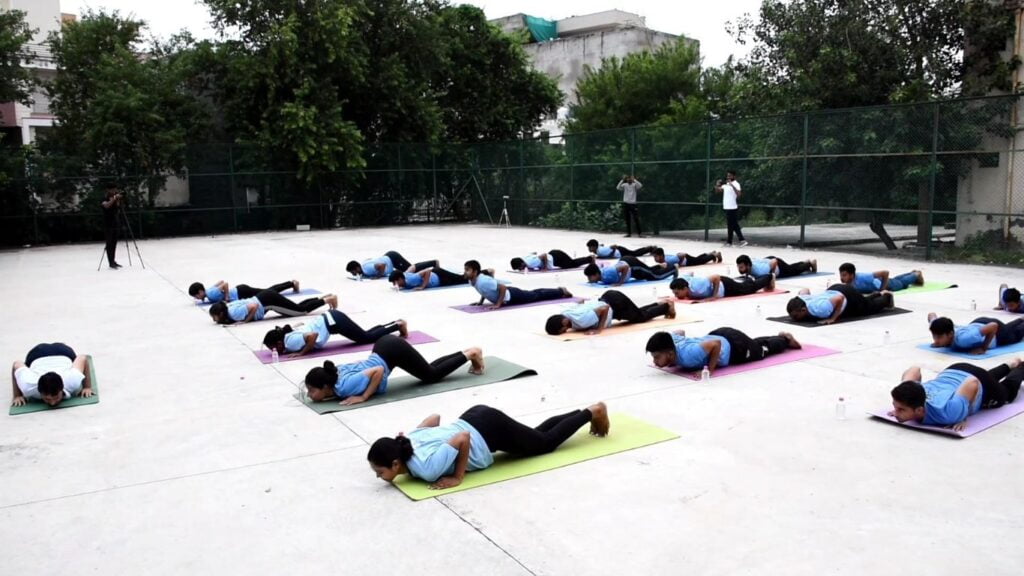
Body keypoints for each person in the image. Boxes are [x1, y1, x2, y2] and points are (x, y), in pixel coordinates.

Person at [367, 402, 610, 489]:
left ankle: (593, 411)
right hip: (476, 416)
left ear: (396, 463)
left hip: (487, 431)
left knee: (544, 444)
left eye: (380, 472)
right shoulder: (407, 440)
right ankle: (583, 412)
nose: (379, 476)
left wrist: (458, 477)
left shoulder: (426, 469)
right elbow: (434, 418)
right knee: (536, 436)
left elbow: (462, 438)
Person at [302, 335, 484, 406]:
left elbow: (378, 370)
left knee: (431, 376)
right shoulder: (332, 376)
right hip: (385, 348)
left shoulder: (345, 386)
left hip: (390, 353)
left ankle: (472, 354)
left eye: (312, 390)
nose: (309, 394)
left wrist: (363, 397)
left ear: (326, 386)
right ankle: (467, 352)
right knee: (429, 370)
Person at [889, 359, 1024, 430]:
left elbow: (973, 382)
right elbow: (915, 369)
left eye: (901, 409)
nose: (895, 413)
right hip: (954, 370)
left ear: (919, 410)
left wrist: (963, 413)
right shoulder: (913, 391)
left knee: (1006, 394)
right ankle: (1009, 364)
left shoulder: (948, 413)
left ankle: (1020, 367)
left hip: (975, 378)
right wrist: (903, 390)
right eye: (896, 407)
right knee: (983, 377)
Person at [646, 328, 801, 374]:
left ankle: (785, 340)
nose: (655, 362)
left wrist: (709, 370)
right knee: (752, 343)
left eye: (657, 357)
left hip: (734, 347)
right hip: (720, 334)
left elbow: (715, 344)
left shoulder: (689, 355)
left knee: (760, 351)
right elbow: (679, 331)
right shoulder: (673, 342)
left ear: (671, 353)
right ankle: (777, 336)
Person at [262, 312, 408, 357]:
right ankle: (394, 323)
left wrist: (301, 353)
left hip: (334, 321)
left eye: (272, 348)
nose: (274, 351)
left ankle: (398, 324)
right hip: (331, 320)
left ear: (279, 343)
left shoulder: (290, 341)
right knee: (365, 335)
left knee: (366, 338)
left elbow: (312, 336)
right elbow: (300, 327)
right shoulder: (287, 337)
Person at [545, 290, 676, 335]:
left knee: (640, 318)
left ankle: (666, 307)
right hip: (609, 298)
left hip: (615, 304)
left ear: (563, 323)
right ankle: (659, 304)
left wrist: (599, 329)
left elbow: (604, 309)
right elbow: (580, 303)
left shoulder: (580, 320)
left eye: (562, 330)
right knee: (636, 313)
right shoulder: (565, 312)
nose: (565, 331)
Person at [10, 343, 93, 407]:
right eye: (47, 399)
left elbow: (83, 358)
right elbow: (16, 364)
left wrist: (87, 387)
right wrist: (18, 395)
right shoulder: (28, 386)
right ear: (39, 391)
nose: (52, 403)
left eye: (56, 397)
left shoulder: (71, 381)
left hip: (63, 352)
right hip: (37, 354)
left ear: (62, 388)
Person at [464, 260, 571, 309]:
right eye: (465, 269)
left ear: (475, 272)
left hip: (512, 295)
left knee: (536, 295)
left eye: (467, 270)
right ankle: (559, 290)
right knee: (534, 293)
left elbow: (502, 287)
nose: (465, 272)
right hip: (510, 296)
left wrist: (498, 304)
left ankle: (560, 291)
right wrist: (481, 302)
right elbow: (485, 291)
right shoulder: (472, 280)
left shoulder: (483, 281)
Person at [785, 284, 893, 325]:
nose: (794, 318)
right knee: (864, 301)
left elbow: (839, 299)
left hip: (847, 295)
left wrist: (833, 318)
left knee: (868, 308)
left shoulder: (820, 309)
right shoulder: (802, 299)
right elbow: (805, 288)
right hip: (834, 289)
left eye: (795, 316)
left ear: (803, 310)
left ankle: (886, 297)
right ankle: (877, 294)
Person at [210, 291, 337, 325]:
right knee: (296, 307)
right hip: (265, 298)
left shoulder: (233, 313)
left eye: (214, 316)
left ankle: (327, 300)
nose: (214, 319)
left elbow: (253, 307)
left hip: (267, 301)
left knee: (300, 312)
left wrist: (246, 321)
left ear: (220, 313)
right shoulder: (227, 306)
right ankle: (324, 297)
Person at [926, 313, 1024, 354]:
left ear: (950, 334)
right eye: (934, 336)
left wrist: (983, 348)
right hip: (979, 324)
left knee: (1015, 335)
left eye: (939, 337)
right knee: (1008, 328)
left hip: (995, 333)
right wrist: (939, 342)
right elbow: (932, 315)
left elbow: (993, 326)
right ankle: (1020, 319)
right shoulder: (940, 327)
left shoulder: (963, 340)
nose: (935, 340)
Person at [669, 273, 774, 302]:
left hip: (725, 285)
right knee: (746, 285)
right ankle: (748, 279)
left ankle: (769, 277)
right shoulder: (683, 280)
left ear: (685, 289)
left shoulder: (698, 286)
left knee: (748, 289)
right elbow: (689, 273)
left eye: (677, 293)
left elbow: (716, 277)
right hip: (722, 284)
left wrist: (714, 296)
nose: (676, 296)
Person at [583, 257, 678, 286]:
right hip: (629, 266)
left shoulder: (608, 272)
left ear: (596, 274)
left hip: (631, 265)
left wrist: (620, 282)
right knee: (646, 273)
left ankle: (673, 268)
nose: (589, 279)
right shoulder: (600, 275)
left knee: (654, 276)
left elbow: (625, 267)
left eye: (590, 277)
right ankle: (659, 266)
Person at [188, 279, 299, 304]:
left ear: (200, 291)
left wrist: (226, 297)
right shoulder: (208, 291)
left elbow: (225, 284)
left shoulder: (211, 294)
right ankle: (290, 283)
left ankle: (291, 283)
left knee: (269, 292)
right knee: (268, 291)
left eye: (196, 295)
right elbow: (220, 281)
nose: (196, 298)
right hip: (241, 290)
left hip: (241, 293)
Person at [838, 263, 923, 293]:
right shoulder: (849, 282)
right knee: (897, 280)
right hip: (882, 282)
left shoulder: (863, 277)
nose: (842, 278)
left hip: (888, 285)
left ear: (852, 275)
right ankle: (912, 272)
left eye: (844, 275)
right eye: (841, 275)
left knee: (902, 283)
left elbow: (885, 272)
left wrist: (883, 289)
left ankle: (917, 274)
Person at [346, 251, 438, 279]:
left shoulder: (367, 268)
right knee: (410, 269)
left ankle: (433, 263)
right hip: (389, 257)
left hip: (393, 259)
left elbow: (382, 265)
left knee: (411, 270)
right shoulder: (363, 267)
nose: (353, 274)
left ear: (357, 268)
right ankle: (432, 264)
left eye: (352, 271)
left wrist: (378, 276)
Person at [715, 170, 747, 247]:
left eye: (730, 176)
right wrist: (717, 184)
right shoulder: (726, 185)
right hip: (727, 206)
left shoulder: (736, 184)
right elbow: (717, 191)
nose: (728, 177)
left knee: (732, 225)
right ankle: (738, 240)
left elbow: (739, 194)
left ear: (734, 176)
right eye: (727, 176)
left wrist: (732, 185)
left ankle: (734, 241)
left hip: (732, 207)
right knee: (733, 225)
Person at [100, 184, 124, 269]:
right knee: (109, 243)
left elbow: (117, 207)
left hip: (115, 222)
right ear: (108, 190)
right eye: (113, 190)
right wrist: (113, 199)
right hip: (108, 223)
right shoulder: (104, 197)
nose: (114, 191)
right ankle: (110, 262)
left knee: (114, 243)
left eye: (115, 190)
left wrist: (117, 200)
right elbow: (106, 206)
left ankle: (113, 260)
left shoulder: (114, 198)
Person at [737, 255, 817, 279]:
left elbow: (774, 261)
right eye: (739, 267)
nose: (739, 270)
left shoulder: (760, 271)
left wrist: (773, 275)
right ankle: (805, 262)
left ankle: (810, 264)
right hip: (768, 260)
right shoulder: (749, 263)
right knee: (791, 267)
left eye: (741, 267)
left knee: (792, 271)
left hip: (777, 264)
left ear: (748, 265)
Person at [388, 266, 466, 290]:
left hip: (441, 277)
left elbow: (427, 271)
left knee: (463, 280)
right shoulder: (404, 277)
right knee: (461, 278)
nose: (394, 284)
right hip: (437, 274)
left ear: (400, 279)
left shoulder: (411, 279)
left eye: (395, 282)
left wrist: (423, 286)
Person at [510, 250, 595, 272]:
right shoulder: (524, 258)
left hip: (557, 257)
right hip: (554, 255)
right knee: (570, 263)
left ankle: (590, 258)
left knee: (572, 264)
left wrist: (546, 267)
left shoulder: (530, 263)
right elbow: (534, 253)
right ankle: (589, 258)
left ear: (522, 263)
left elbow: (544, 255)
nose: (520, 269)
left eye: (519, 267)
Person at [651, 247, 722, 269]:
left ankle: (715, 255)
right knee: (698, 259)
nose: (655, 258)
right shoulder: (664, 260)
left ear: (661, 256)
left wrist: (681, 263)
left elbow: (681, 255)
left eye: (656, 256)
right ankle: (710, 253)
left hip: (686, 260)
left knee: (700, 261)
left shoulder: (668, 261)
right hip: (686, 259)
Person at [586, 239, 654, 259]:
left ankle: (649, 248)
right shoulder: (598, 250)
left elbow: (612, 248)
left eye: (589, 247)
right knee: (634, 253)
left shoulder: (600, 251)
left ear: (594, 247)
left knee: (635, 253)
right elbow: (602, 245)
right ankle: (649, 248)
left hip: (620, 252)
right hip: (620, 250)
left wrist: (612, 254)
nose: (589, 249)